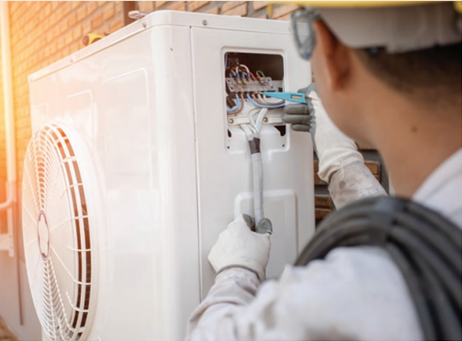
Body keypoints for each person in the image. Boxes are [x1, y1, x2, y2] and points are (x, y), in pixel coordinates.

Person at [186, 2, 461, 340]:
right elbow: (425, 227)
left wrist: (236, 270)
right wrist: (342, 166)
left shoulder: (349, 294)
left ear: (330, 53)